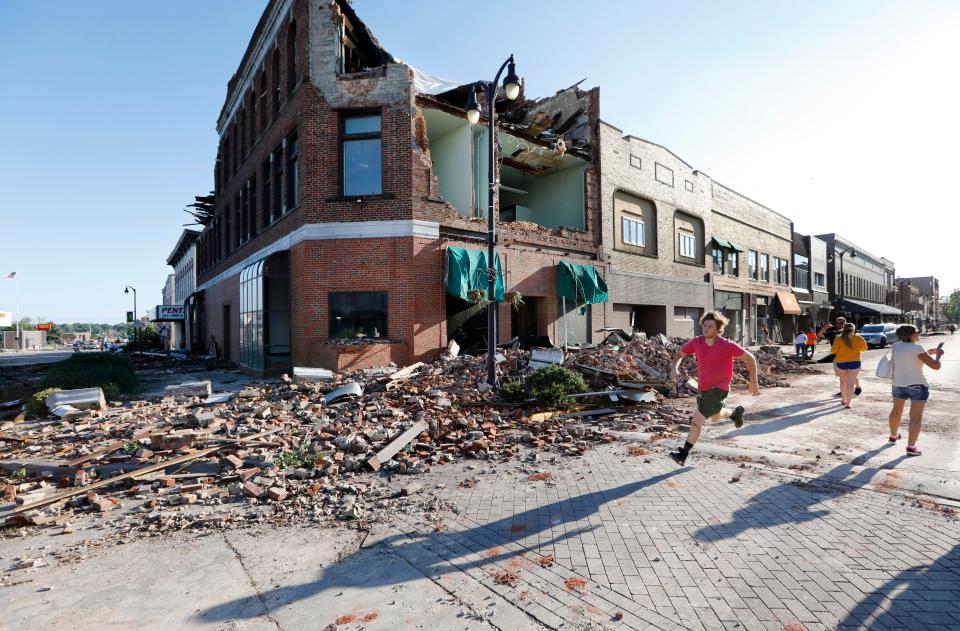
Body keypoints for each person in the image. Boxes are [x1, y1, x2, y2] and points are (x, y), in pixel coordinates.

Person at [668, 311, 761, 466]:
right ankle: (735, 413)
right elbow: (679, 355)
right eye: (704, 325)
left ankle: (683, 454)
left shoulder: (727, 345)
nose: (706, 328)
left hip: (719, 389)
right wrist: (674, 369)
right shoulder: (696, 342)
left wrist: (754, 382)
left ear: (718, 329)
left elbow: (749, 358)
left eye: (710, 326)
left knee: (697, 420)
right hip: (703, 389)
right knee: (716, 416)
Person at [887, 324, 943, 456]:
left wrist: (927, 353)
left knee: (896, 411)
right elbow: (936, 366)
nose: (919, 333)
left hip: (898, 383)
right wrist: (938, 356)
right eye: (917, 332)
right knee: (915, 417)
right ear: (910, 335)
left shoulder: (895, 346)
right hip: (917, 384)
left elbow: (908, 358)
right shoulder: (917, 348)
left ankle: (893, 436)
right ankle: (911, 447)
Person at [819, 316, 862, 396]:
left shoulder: (851, 332)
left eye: (842, 323)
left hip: (851, 358)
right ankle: (844, 390)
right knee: (843, 376)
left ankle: (857, 387)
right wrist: (825, 327)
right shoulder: (833, 333)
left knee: (850, 375)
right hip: (838, 358)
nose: (839, 325)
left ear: (845, 324)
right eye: (837, 323)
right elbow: (820, 334)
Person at [831, 323, 867, 408]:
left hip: (841, 362)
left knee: (843, 382)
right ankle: (848, 404)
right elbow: (864, 349)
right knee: (850, 383)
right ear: (854, 330)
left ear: (844, 329)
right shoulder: (859, 338)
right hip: (855, 361)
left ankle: (843, 399)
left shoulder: (838, 338)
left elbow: (833, 351)